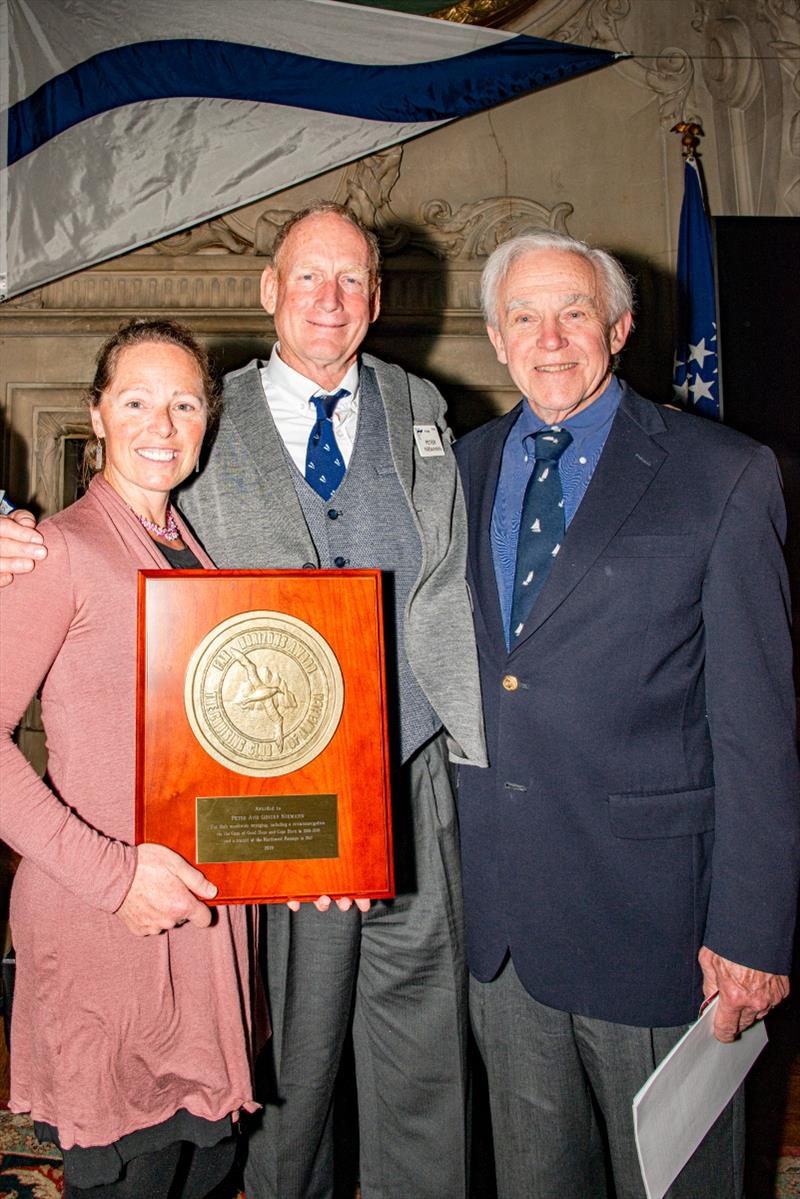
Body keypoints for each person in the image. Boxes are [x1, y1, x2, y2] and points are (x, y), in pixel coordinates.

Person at [0, 202, 487, 1199]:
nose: (328, 301)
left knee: (382, 1080)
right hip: (197, 852)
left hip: (379, 801)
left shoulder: (418, 409)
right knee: (264, 1092)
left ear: (378, 299)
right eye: (306, 277)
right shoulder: (132, 479)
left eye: (350, 279)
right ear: (266, 291)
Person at [453, 230, 800, 1198]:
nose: (549, 336)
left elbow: (755, 726)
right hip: (503, 929)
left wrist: (751, 931)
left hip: (657, 924)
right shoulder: (460, 465)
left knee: (680, 1179)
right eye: (524, 315)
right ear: (494, 336)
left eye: (573, 311)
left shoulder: (719, 473)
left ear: (618, 325)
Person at [0, 319, 258, 1199]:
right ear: (98, 413)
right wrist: (113, 876)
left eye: (185, 402)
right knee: (136, 1179)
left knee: (203, 1167)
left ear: (208, 420)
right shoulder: (60, 551)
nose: (163, 422)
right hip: (104, 923)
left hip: (199, 929)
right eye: (138, 400)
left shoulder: (196, 551)